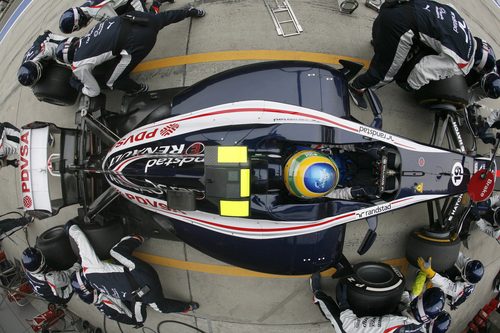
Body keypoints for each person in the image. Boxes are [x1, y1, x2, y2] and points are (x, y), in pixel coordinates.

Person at [350, 0, 496, 95]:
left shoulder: (461, 20)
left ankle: (380, 45)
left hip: (393, 7)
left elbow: (441, 7)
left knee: (388, 38)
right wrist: (411, 86)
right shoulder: (463, 60)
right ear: (478, 66)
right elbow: (423, 70)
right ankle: (358, 87)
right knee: (386, 75)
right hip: (399, 28)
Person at [54, 6, 205, 97]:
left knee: (111, 81)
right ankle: (191, 11)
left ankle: (139, 89)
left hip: (139, 41)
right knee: (163, 18)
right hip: (138, 19)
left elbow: (94, 91)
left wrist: (81, 87)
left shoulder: (77, 64)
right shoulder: (91, 32)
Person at [66, 220, 199, 315]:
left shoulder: (102, 292)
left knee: (160, 309)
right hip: (143, 273)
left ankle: (188, 307)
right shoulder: (88, 268)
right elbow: (81, 240)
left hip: (148, 293)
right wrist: (70, 227)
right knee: (115, 252)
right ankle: (140, 236)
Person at [309, 272, 448, 332]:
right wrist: (400, 289)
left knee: (339, 319)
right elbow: (407, 303)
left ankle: (317, 294)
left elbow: (350, 326)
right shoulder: (420, 322)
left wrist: (344, 304)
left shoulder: (393, 324)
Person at [284, 149, 381, 201]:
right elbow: (339, 195)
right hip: (351, 180)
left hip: (350, 158)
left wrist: (361, 147)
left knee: (391, 159)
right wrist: (354, 192)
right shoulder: (319, 194)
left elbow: (339, 142)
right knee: (391, 185)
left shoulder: (316, 148)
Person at [71, 270, 147, 327]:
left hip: (125, 305)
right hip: (137, 317)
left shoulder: (93, 295)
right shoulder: (104, 299)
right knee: (141, 289)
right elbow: (133, 317)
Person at [59, 0, 175, 34]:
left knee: (149, 23)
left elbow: (118, 25)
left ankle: (156, 3)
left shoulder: (96, 11)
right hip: (121, 4)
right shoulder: (87, 7)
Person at [417, 253, 484, 310]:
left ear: (466, 277)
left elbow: (445, 284)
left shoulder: (459, 290)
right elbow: (459, 257)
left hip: (451, 296)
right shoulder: (470, 268)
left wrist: (430, 272)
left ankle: (427, 283)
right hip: (459, 281)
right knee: (449, 266)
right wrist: (450, 249)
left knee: (438, 285)